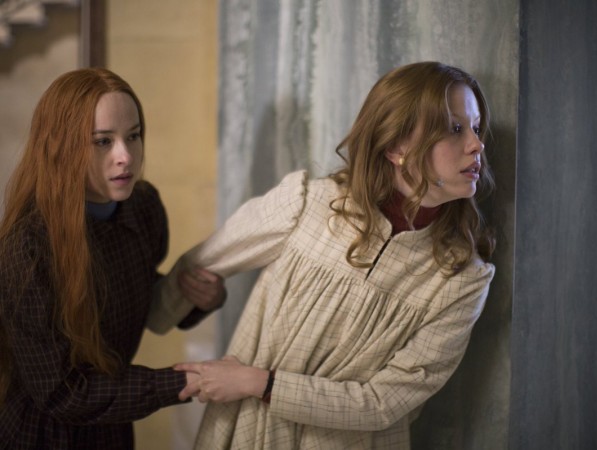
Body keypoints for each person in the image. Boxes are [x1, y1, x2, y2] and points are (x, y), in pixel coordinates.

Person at [151, 61, 496, 449]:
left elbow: (383, 404)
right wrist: (162, 314)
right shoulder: (308, 205)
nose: (477, 144)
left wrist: (257, 382)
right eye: (455, 129)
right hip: (251, 432)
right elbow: (201, 265)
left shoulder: (462, 279)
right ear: (396, 146)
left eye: (476, 127)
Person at [0, 67, 225, 449]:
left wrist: (197, 300)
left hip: (112, 424)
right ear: (61, 147)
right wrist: (187, 380)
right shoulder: (27, 249)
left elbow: (133, 292)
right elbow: (61, 392)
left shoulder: (142, 207)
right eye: (103, 141)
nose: (125, 156)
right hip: (43, 434)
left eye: (133, 136)